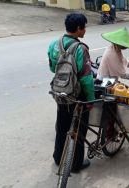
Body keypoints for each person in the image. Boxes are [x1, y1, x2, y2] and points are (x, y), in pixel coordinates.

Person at [48, 13, 95, 172]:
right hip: (77, 95)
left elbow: (52, 67)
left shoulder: (55, 44)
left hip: (60, 92)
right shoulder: (81, 48)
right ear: (77, 29)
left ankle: (58, 156)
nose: (85, 30)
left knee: (61, 126)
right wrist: (90, 100)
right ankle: (75, 164)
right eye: (84, 27)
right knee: (79, 129)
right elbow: (86, 78)